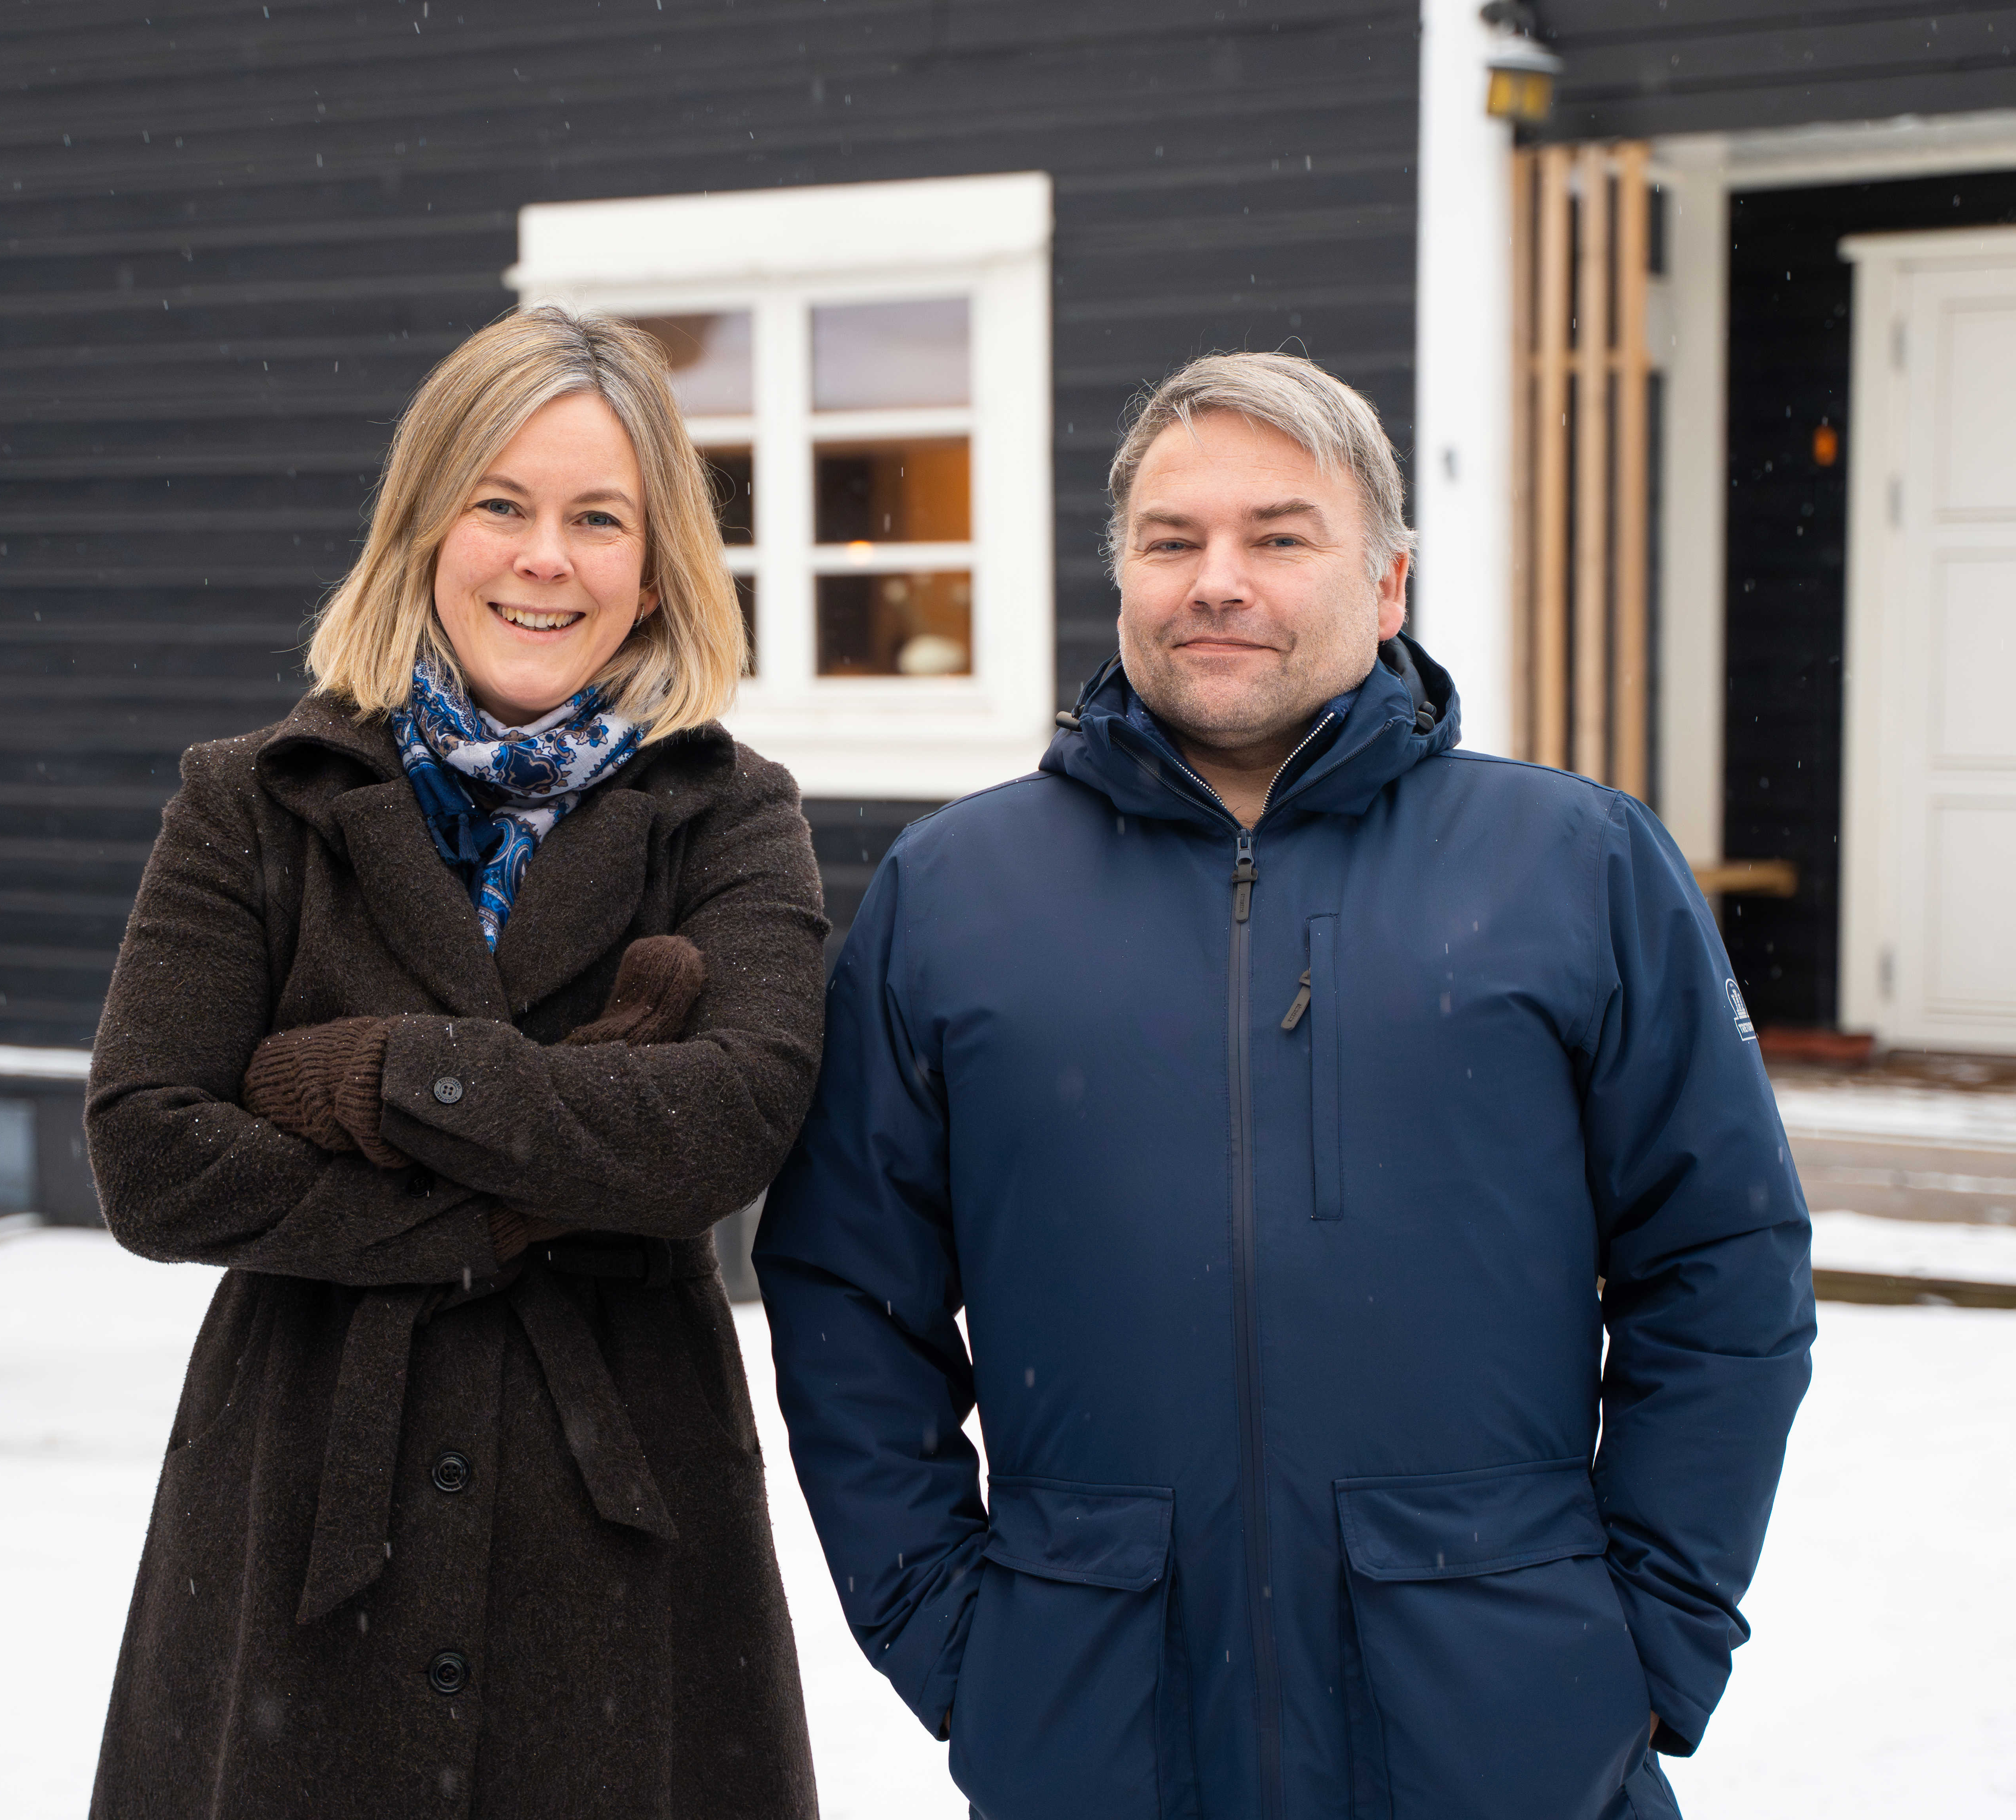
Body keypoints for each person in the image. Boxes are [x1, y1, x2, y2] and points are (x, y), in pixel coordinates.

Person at [755, 352, 1814, 1820]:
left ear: (1387, 584)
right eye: (1171, 541)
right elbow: (843, 1296)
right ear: (1120, 577)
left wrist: (1637, 1647)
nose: (1218, 581)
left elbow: (1724, 1271)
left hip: (1506, 1732)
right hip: (1098, 1725)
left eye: (1279, 535)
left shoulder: (1574, 867)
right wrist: (961, 1643)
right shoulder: (958, 895)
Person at [85, 306, 827, 1820]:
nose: (543, 557)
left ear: (658, 557)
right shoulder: (253, 801)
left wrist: (380, 1078)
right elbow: (152, 1150)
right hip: (299, 1501)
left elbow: (729, 1121)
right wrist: (524, 1198)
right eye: (501, 503)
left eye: (596, 517)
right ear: (427, 524)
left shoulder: (730, 815)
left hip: (620, 1519)